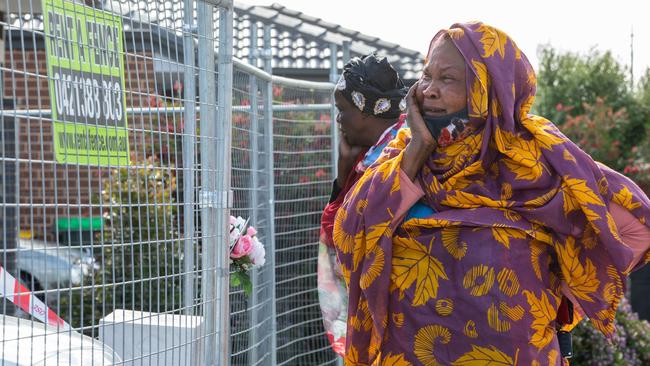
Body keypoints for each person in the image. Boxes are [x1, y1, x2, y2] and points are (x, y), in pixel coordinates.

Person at [333, 22, 650, 365]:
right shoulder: (402, 159)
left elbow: (637, 229)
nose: (429, 90)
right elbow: (351, 236)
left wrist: (564, 291)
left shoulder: (536, 164)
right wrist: (416, 152)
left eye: (448, 79)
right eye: (426, 76)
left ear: (488, 89)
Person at [318, 53, 408, 356]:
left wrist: (343, 179)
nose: (339, 119)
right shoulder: (372, 153)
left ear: (367, 109)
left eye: (342, 110)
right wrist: (343, 174)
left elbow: (341, 237)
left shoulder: (390, 160)